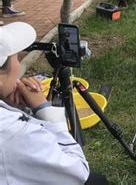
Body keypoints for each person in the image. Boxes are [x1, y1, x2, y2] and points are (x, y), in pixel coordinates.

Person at [0, 22, 90, 184]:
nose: (18, 65)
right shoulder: (14, 133)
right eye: (17, 57)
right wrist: (43, 108)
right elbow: (78, 171)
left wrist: (14, 107)